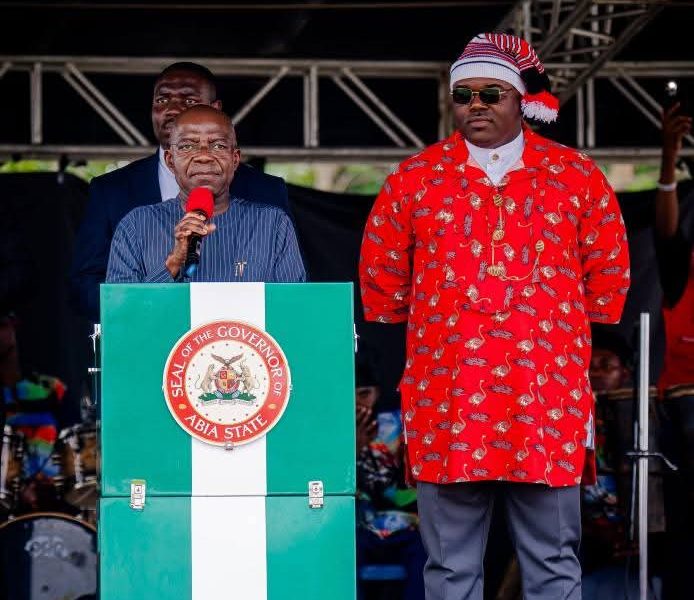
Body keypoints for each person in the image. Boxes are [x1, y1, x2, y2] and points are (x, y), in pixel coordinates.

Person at [359, 33, 630, 600]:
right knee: (450, 568)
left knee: (553, 562)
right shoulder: (414, 178)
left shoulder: (576, 176)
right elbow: (382, 282)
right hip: (448, 400)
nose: (475, 105)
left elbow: (608, 278)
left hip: (545, 401)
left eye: (491, 93)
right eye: (463, 95)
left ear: (521, 99)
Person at [70, 62, 291, 320]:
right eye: (162, 100)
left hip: (239, 337)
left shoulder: (267, 195)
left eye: (189, 101)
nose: (172, 109)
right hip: (151, 337)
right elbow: (87, 287)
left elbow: (294, 299)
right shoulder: (113, 194)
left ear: (215, 109)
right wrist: (137, 311)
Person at [106, 105, 305, 284]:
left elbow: (293, 307)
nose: (203, 156)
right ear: (170, 160)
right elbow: (122, 311)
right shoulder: (136, 226)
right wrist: (173, 263)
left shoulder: (273, 224)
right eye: (187, 146)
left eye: (218, 145)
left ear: (235, 160)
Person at [355, 355, 426, 600]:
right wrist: (354, 448)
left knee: (426, 554)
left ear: (377, 392)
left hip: (405, 525)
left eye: (365, 394)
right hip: (358, 527)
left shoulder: (399, 425)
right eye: (353, 396)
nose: (359, 404)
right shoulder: (335, 431)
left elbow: (407, 493)